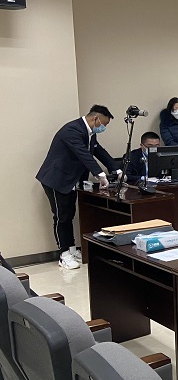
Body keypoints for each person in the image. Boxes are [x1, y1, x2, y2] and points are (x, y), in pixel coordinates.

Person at [36, 105, 119, 270]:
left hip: (70, 180)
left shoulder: (89, 133)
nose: (104, 127)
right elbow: (83, 154)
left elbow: (99, 151)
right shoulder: (72, 130)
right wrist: (100, 175)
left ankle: (72, 249)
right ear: (95, 119)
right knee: (61, 217)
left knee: (69, 215)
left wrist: (116, 169)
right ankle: (63, 254)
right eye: (104, 124)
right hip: (56, 179)